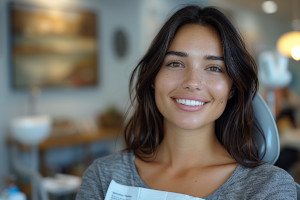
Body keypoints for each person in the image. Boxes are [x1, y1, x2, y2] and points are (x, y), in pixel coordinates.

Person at [76, 5, 297, 199]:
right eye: (175, 63)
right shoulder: (104, 176)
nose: (192, 82)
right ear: (153, 77)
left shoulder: (266, 187)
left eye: (214, 68)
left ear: (231, 88)